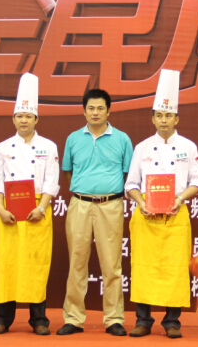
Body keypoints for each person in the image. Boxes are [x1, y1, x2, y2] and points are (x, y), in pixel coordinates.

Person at [124, 69, 198, 339]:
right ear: (153, 118)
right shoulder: (142, 147)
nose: (163, 120)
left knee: (175, 268)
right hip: (146, 216)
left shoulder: (188, 147)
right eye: (159, 115)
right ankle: (143, 320)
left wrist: (180, 198)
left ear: (176, 118)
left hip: (175, 216)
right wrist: (141, 202)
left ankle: (172, 321)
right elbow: (131, 185)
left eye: (168, 115)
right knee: (143, 267)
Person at [0, 73, 60, 335]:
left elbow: (52, 182)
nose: (24, 120)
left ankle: (39, 320)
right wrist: (1, 209)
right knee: (6, 264)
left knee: (36, 264)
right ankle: (1, 319)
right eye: (19, 116)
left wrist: (41, 209)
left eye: (28, 116)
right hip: (8, 211)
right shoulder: (2, 147)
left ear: (36, 119)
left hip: (37, 211)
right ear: (13, 119)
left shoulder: (48, 146)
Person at [57, 88, 133, 337]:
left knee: (111, 265)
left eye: (101, 108)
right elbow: (67, 172)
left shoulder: (122, 139)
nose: (95, 112)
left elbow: (129, 174)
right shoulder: (73, 139)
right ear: (84, 111)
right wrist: (84, 191)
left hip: (110, 205)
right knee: (77, 262)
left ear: (108, 111)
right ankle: (73, 318)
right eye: (91, 108)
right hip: (80, 204)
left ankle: (113, 319)